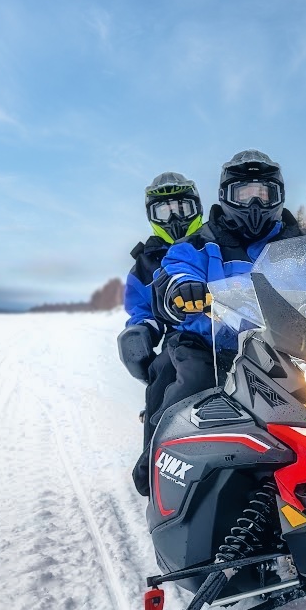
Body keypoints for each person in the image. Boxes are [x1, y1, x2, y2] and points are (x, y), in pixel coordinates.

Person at [132, 150, 306, 495]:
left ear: (278, 195)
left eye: (264, 192)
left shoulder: (299, 242)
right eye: (244, 193)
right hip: (210, 344)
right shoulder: (200, 242)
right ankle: (158, 463)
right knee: (189, 385)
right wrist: (183, 286)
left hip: (286, 344)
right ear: (226, 196)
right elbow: (176, 267)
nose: (254, 203)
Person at [117, 172, 204, 490]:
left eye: (181, 208)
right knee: (163, 371)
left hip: (239, 327)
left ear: (196, 207)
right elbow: (140, 309)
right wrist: (141, 330)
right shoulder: (145, 263)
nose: (174, 218)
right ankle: (152, 459)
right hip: (181, 337)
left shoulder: (215, 241)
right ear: (151, 216)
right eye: (164, 211)